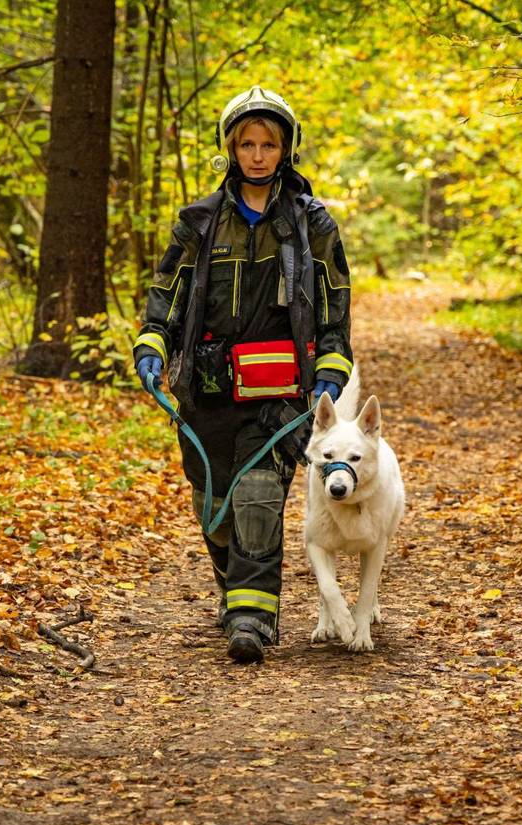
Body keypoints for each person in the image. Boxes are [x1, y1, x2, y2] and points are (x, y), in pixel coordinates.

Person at [132, 85, 354, 664]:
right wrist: (152, 344)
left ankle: (252, 617)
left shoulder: (313, 225)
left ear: (286, 150)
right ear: (231, 149)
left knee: (258, 495)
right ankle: (235, 589)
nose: (258, 155)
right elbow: (166, 294)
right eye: (247, 144)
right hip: (204, 388)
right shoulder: (198, 222)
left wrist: (331, 368)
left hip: (281, 391)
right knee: (217, 506)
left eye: (269, 144)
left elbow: (336, 305)